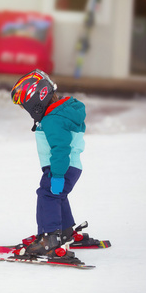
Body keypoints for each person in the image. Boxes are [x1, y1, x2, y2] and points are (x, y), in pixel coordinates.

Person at [10, 69, 86, 258]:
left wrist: (58, 175)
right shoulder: (60, 113)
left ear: (35, 100)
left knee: (47, 195)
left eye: (25, 107)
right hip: (69, 166)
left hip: (62, 168)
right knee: (57, 196)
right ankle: (65, 231)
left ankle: (50, 239)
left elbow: (61, 149)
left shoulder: (53, 120)